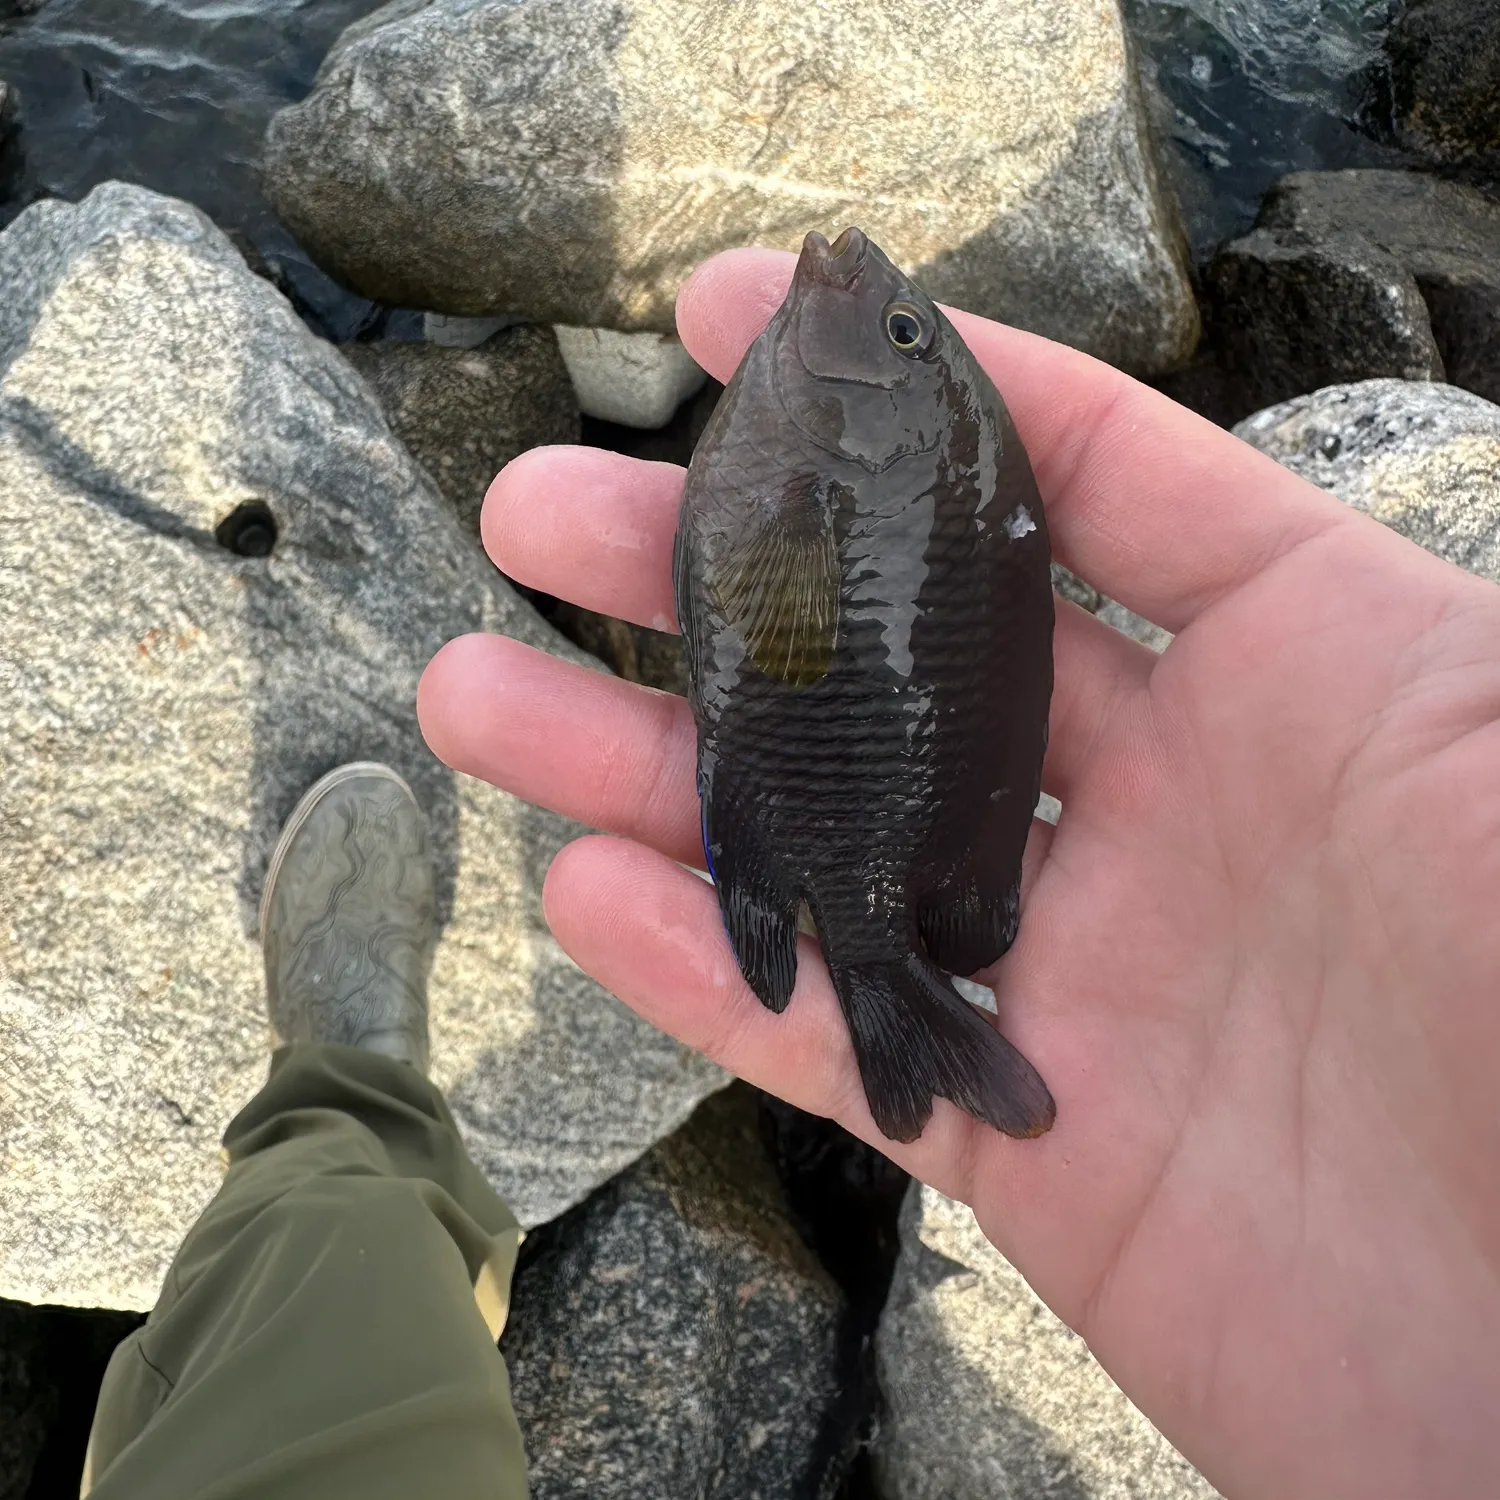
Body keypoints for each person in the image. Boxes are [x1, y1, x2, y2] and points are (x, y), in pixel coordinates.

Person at [85, 248, 1500, 1500]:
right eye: (908, 337)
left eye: (901, 343)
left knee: (274, 1332)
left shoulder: (892, 446)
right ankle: (390, 1171)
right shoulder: (869, 448)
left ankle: (343, 1116)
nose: (869, 288)